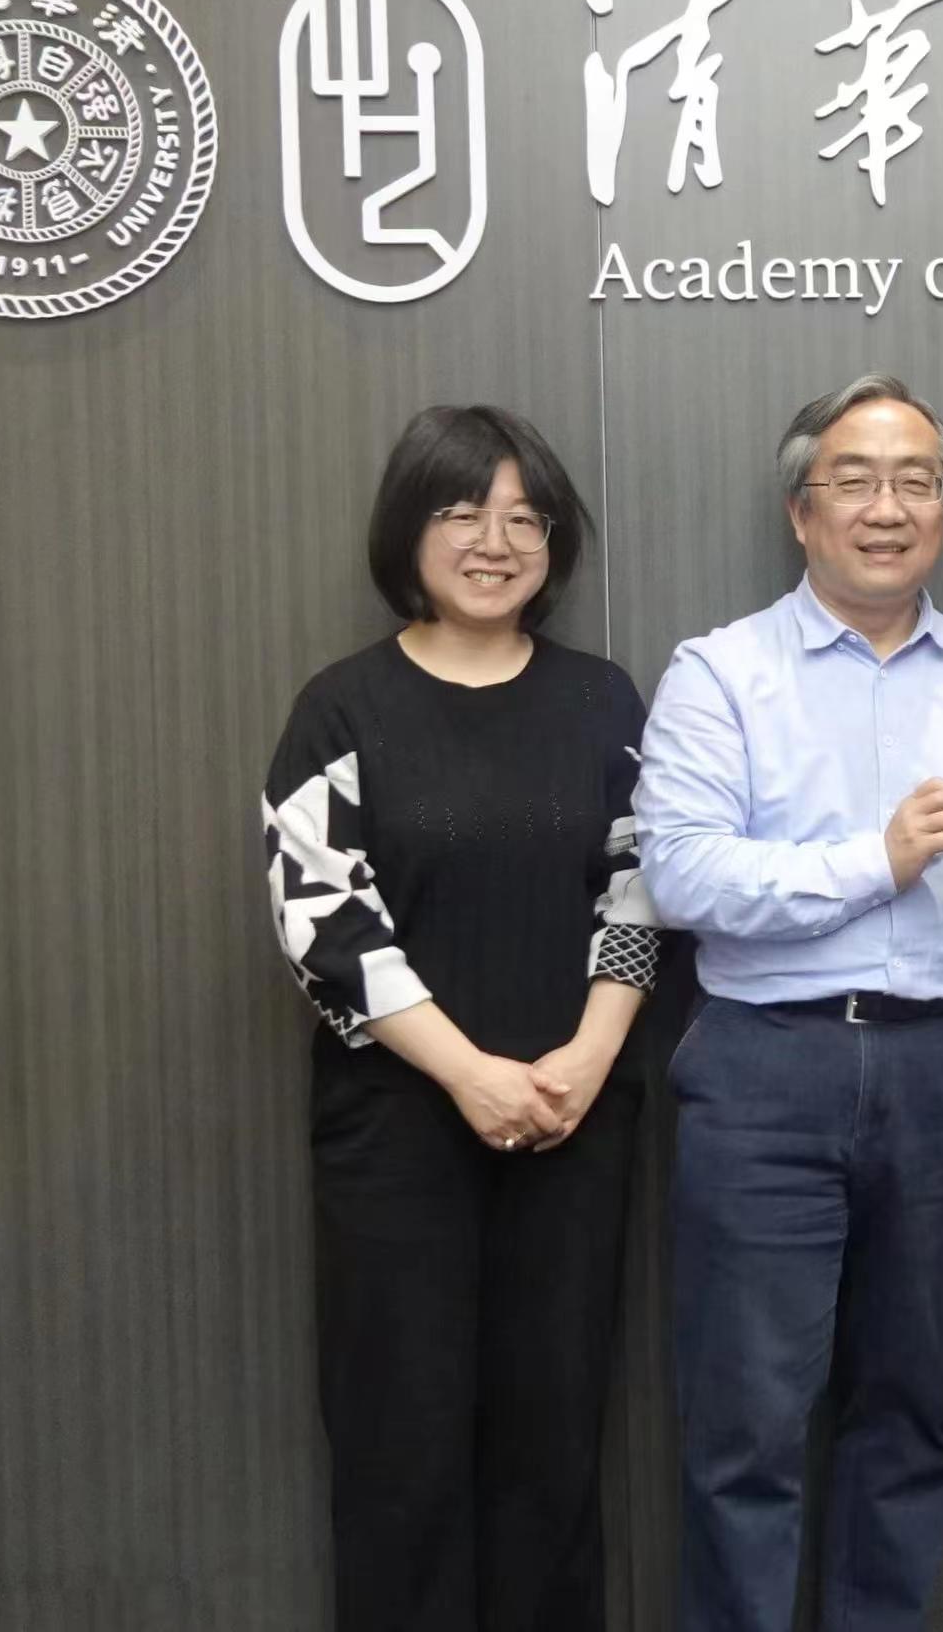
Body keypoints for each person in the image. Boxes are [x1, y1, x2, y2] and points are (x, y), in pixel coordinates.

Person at [635, 374, 943, 1632]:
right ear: (800, 510)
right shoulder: (718, 673)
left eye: (915, 482)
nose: (887, 507)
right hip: (765, 1070)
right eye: (855, 481)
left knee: (909, 1412)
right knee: (744, 1425)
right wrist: (877, 859)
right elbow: (683, 874)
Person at [260, 404, 664, 1630]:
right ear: (408, 530)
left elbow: (641, 884)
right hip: (398, 1128)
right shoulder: (341, 706)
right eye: (461, 511)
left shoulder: (601, 699)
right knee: (401, 1441)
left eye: (523, 518)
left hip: (574, 1117)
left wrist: (588, 1055)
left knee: (555, 1440)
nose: (495, 541)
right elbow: (321, 918)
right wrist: (468, 1073)